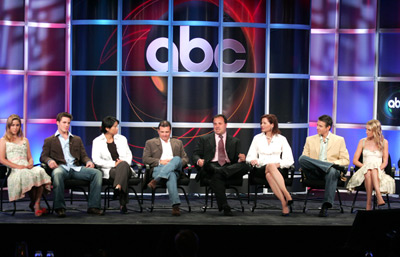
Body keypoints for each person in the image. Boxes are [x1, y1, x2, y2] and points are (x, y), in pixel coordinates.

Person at [40, 112, 103, 217]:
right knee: (57, 173)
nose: (66, 125)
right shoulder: (50, 140)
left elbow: (84, 156)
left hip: (76, 168)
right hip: (61, 168)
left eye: (68, 123)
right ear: (58, 123)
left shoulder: (76, 139)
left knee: (97, 173)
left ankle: (94, 207)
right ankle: (59, 208)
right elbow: (43, 156)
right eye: (64, 122)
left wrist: (88, 161)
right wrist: (49, 161)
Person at [193, 114, 250, 216]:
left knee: (246, 166)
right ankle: (225, 205)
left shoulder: (235, 141)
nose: (217, 126)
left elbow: (236, 160)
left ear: (226, 125)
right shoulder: (204, 139)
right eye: (215, 124)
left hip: (227, 168)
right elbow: (195, 154)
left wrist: (241, 159)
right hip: (211, 166)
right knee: (213, 170)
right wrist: (198, 161)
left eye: (220, 123)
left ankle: (220, 174)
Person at [298, 114, 350, 217]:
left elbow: (345, 160)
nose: (317, 127)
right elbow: (305, 159)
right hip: (314, 172)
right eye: (317, 125)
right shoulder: (310, 139)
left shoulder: (339, 140)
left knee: (332, 171)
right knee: (301, 159)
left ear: (328, 127)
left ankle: (325, 206)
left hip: (330, 174)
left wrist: (334, 164)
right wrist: (329, 165)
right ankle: (328, 165)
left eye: (320, 126)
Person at [0, 114, 51, 217]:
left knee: (40, 171)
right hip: (14, 169)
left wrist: (31, 162)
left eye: (17, 125)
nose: (15, 127)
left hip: (26, 166)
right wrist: (17, 166)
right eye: (12, 125)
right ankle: (35, 205)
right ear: (8, 126)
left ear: (20, 126)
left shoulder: (25, 140)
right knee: (27, 174)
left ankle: (36, 203)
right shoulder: (3, 140)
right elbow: (1, 159)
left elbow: (30, 157)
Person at [246, 114, 294, 216]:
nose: (262, 125)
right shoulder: (257, 138)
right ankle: (287, 194)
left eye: (264, 123)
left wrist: (278, 164)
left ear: (272, 125)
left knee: (270, 173)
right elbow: (249, 157)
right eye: (261, 123)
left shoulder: (282, 139)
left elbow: (289, 160)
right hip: (260, 168)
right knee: (269, 166)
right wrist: (252, 161)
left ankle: (284, 204)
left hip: (278, 169)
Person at [142, 120, 189, 216]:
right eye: (162, 132)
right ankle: (175, 206)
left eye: (167, 132)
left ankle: (156, 180)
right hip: (158, 168)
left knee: (176, 158)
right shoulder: (150, 143)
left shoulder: (178, 142)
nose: (164, 134)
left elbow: (185, 159)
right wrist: (160, 161)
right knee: (170, 174)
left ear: (170, 131)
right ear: (158, 131)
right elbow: (145, 159)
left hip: (175, 169)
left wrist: (174, 162)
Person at [346, 119, 395, 210]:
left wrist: (378, 168)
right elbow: (355, 161)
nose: (366, 132)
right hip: (364, 170)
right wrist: (366, 167)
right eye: (366, 129)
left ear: (375, 131)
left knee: (373, 170)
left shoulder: (384, 142)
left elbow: (385, 162)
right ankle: (378, 196)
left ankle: (368, 204)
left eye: (369, 130)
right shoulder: (362, 141)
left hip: (379, 171)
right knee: (368, 171)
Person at [92, 116, 135, 214]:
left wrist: (122, 163)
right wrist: (114, 163)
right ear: (107, 128)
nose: (117, 128)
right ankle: (122, 203)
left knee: (123, 165)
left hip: (125, 168)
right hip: (109, 170)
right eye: (115, 127)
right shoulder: (97, 141)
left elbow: (129, 155)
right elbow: (96, 160)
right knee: (120, 171)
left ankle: (118, 187)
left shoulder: (122, 139)